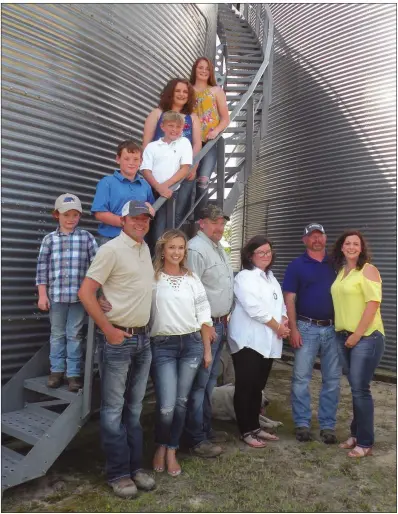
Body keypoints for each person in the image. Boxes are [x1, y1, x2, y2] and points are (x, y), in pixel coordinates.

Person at [78, 200, 155, 499]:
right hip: (118, 340)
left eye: (145, 219)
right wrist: (108, 330)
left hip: (143, 340)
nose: (141, 222)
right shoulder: (110, 250)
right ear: (122, 220)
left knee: (134, 409)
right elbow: (85, 292)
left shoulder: (145, 248)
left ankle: (135, 467)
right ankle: (119, 473)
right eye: (135, 218)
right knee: (113, 411)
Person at [150, 229, 213, 477]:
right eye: (172, 247)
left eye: (180, 248)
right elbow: (132, 296)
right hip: (162, 345)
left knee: (181, 402)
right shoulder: (152, 277)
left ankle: (172, 450)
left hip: (192, 345)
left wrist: (207, 350)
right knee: (166, 405)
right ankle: (160, 445)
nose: (176, 252)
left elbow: (204, 315)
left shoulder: (192, 278)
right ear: (163, 250)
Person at [228, 236, 290, 447]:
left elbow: (280, 305)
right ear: (250, 256)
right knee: (245, 386)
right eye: (261, 252)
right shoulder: (244, 277)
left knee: (257, 387)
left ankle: (255, 426)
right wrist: (278, 327)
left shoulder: (271, 278)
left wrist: (284, 320)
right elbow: (254, 309)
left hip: (268, 341)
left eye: (268, 252)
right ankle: (245, 430)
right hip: (249, 341)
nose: (266, 256)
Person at [183, 204, 234, 458]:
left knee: (209, 383)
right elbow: (192, 293)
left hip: (221, 323)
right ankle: (195, 438)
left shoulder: (218, 248)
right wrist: (205, 327)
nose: (220, 227)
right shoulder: (195, 249)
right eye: (215, 222)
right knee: (198, 385)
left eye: (223, 223)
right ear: (201, 223)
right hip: (207, 326)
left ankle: (204, 428)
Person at [283, 223, 340, 444]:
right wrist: (294, 329)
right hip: (306, 328)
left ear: (326, 238)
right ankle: (302, 423)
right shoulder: (296, 265)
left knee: (332, 380)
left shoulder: (336, 264)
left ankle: (327, 425)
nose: (316, 239)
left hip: (333, 328)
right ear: (304, 240)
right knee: (300, 378)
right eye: (312, 236)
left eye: (320, 235)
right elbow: (290, 298)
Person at [331, 230, 385, 458]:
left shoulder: (368, 270)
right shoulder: (342, 272)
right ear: (342, 248)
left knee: (360, 389)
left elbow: (373, 304)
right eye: (347, 243)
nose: (351, 247)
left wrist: (357, 335)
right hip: (343, 336)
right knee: (355, 388)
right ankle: (355, 435)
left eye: (356, 244)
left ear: (361, 248)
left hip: (367, 337)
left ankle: (365, 442)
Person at [36, 193, 97, 392]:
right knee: (57, 334)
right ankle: (56, 371)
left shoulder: (86, 237)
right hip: (56, 297)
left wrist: (95, 294)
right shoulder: (49, 240)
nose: (71, 219)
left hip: (79, 298)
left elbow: (97, 266)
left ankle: (73, 374)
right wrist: (42, 294)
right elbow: (42, 269)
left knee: (75, 334)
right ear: (57, 215)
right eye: (66, 215)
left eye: (75, 215)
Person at [142, 78, 202, 228]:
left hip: (183, 173)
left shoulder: (193, 117)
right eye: (178, 91)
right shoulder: (157, 113)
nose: (182, 94)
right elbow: (146, 143)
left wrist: (193, 166)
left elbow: (197, 143)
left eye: (185, 91)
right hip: (158, 175)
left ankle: (171, 247)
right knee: (154, 213)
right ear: (170, 93)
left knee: (177, 214)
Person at [141, 111, 193, 251]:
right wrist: (158, 187)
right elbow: (145, 170)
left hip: (170, 193)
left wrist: (165, 186)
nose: (174, 130)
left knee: (161, 228)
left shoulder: (184, 143)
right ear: (162, 127)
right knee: (147, 226)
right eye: (171, 125)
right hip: (151, 192)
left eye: (178, 127)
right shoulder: (152, 147)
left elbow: (185, 168)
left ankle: (159, 262)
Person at [91, 140, 154, 246]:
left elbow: (151, 211)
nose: (131, 163)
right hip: (111, 239)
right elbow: (99, 213)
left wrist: (150, 208)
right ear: (118, 159)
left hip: (137, 240)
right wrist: (127, 223)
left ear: (141, 161)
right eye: (126, 158)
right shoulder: (107, 182)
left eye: (136, 159)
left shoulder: (145, 185)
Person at [189, 57, 230, 219]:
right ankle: (184, 215)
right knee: (187, 180)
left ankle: (199, 218)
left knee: (203, 180)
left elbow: (225, 118)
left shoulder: (216, 91)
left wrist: (216, 131)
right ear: (195, 69)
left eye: (207, 68)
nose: (204, 71)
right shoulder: (188, 90)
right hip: (191, 141)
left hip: (210, 142)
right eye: (201, 67)